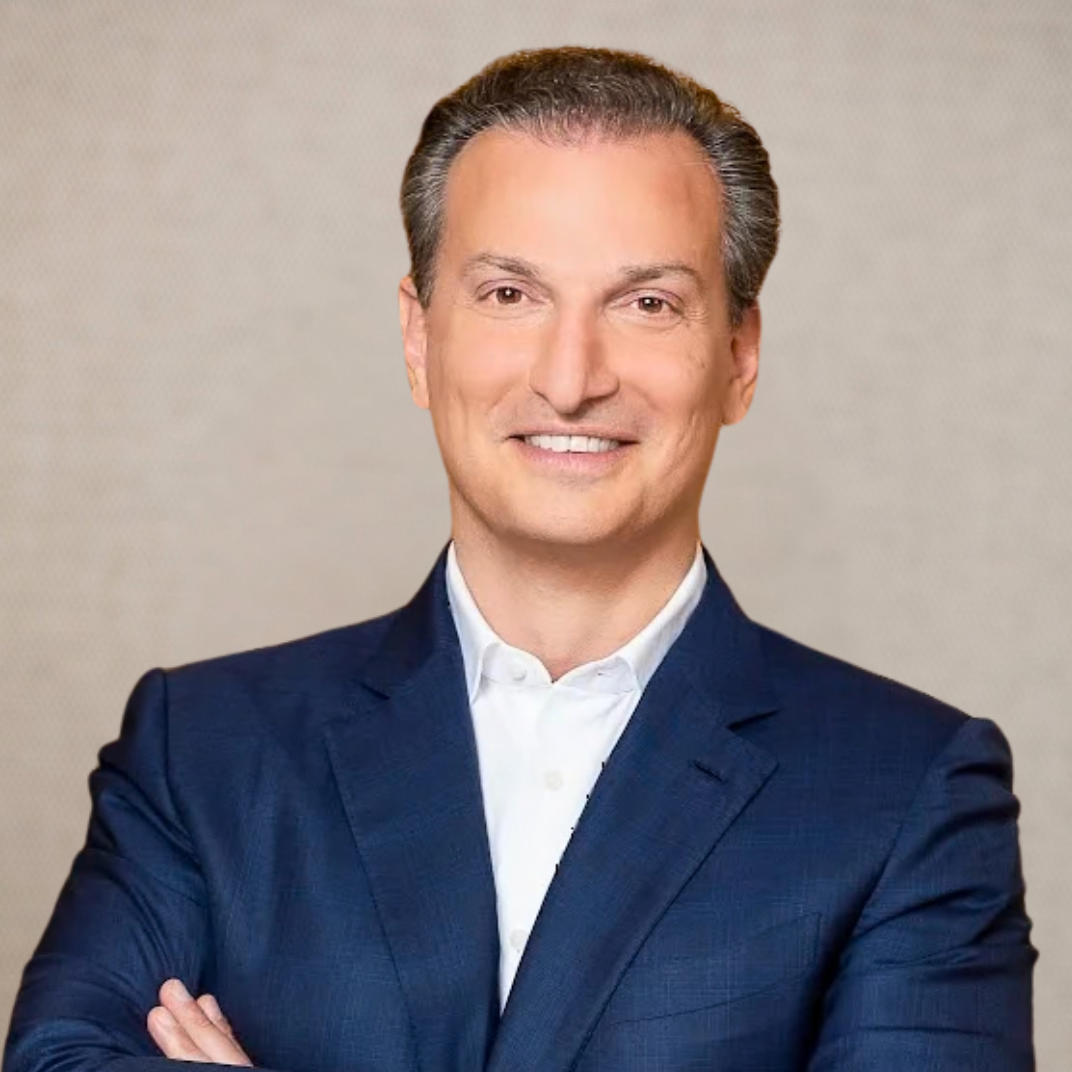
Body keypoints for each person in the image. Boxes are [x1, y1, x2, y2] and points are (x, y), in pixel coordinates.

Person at [5, 46, 1036, 1072]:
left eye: (646, 303)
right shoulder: (202, 752)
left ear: (739, 355)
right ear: (419, 339)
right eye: (509, 294)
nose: (571, 377)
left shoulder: (909, 789)